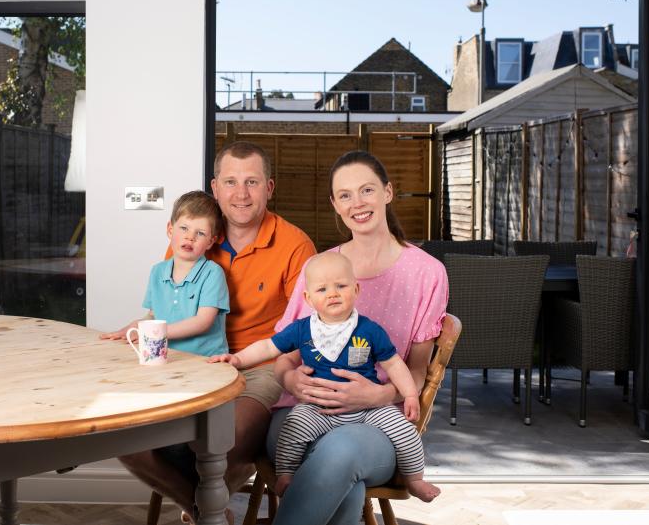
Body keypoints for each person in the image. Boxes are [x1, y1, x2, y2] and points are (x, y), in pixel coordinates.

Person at [116, 141, 316, 522]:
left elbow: (303, 329)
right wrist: (128, 330)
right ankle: (204, 507)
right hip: (192, 361)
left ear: (269, 188)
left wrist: (286, 373)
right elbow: (162, 306)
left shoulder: (295, 246)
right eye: (231, 182)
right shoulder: (196, 237)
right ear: (215, 187)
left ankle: (204, 505)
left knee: (227, 439)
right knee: (125, 439)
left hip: (261, 366)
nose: (241, 194)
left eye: (252, 182)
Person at [268, 150, 448, 525]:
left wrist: (379, 394)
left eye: (367, 190)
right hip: (302, 416)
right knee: (342, 482)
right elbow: (282, 356)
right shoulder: (319, 269)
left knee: (339, 454)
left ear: (388, 192)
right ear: (335, 204)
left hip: (375, 424)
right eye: (345, 195)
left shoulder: (427, 272)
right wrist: (291, 379)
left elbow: (416, 373)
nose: (357, 203)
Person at [210, 251, 440, 502]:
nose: (332, 293)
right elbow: (268, 347)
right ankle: (286, 474)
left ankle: (415, 478)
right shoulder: (303, 329)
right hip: (316, 408)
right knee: (294, 425)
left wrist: (408, 394)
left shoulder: (369, 330)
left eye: (341, 286)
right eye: (322, 289)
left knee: (403, 429)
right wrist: (238, 359)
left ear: (356, 290)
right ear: (308, 298)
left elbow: (394, 364)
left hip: (368, 409)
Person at [99, 190, 229, 357]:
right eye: (184, 228)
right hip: (167, 355)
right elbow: (153, 316)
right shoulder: (158, 271)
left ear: (211, 241)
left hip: (206, 360)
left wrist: (156, 332)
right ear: (170, 230)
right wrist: (130, 329)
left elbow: (203, 322)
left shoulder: (213, 273)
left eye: (200, 233)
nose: (190, 237)